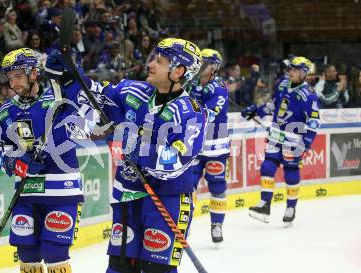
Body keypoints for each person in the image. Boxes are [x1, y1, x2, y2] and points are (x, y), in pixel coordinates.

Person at [46, 38, 206, 273]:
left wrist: (136, 146)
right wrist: (70, 75)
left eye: (159, 62)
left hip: (166, 201)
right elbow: (95, 97)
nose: (150, 64)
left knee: (155, 269)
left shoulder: (191, 113)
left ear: (178, 72)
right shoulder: (132, 90)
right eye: (153, 58)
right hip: (127, 197)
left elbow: (174, 161)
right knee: (119, 267)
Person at [0, 48, 90, 273]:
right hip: (26, 194)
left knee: (55, 254)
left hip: (62, 192)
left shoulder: (60, 99)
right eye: (9, 77)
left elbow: (85, 118)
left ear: (34, 73)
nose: (14, 83)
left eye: (18, 75)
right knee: (27, 256)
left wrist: (73, 70)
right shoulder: (4, 112)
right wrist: (13, 163)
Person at [241, 56, 320, 226]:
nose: (290, 71)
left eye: (294, 69)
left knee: (290, 171)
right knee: (267, 166)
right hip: (277, 134)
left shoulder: (309, 95)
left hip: (294, 138)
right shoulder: (282, 84)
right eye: (289, 68)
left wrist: (306, 143)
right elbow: (274, 104)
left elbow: (314, 121)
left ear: (303, 73)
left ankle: (291, 207)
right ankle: (265, 205)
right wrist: (255, 110)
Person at [189, 49, 229, 244]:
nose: (199, 66)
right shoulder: (192, 85)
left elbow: (208, 115)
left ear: (213, 67)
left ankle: (216, 225)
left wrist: (190, 106)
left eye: (203, 62)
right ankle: (184, 225)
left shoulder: (219, 87)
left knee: (217, 186)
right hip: (193, 146)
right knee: (188, 187)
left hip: (215, 146)